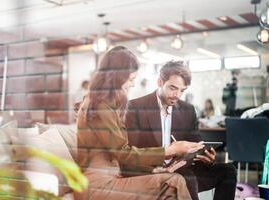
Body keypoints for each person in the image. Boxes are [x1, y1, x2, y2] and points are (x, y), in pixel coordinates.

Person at [76, 47, 204, 199]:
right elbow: (123, 153)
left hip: (111, 177)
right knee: (173, 183)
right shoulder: (100, 105)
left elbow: (120, 155)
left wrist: (153, 170)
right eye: (130, 79)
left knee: (172, 181)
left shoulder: (104, 103)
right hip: (97, 184)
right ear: (116, 77)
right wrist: (169, 150)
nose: (132, 85)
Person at [126, 61, 237, 200]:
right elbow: (131, 153)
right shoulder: (135, 107)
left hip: (180, 169)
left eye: (182, 90)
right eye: (173, 88)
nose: (177, 95)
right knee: (187, 177)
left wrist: (206, 157)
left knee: (228, 171)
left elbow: (196, 144)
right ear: (160, 82)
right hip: (152, 172)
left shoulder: (188, 110)